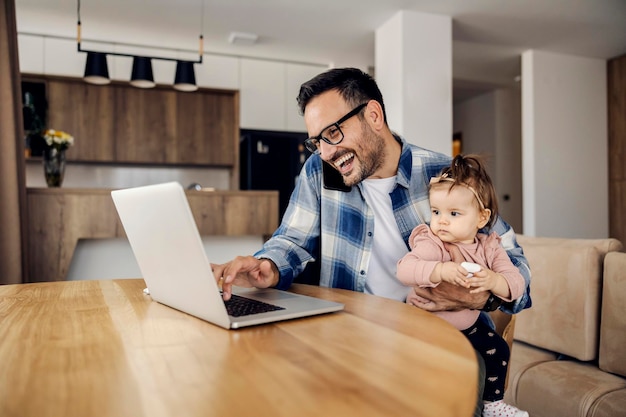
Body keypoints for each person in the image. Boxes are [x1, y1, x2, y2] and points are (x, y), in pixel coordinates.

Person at [212, 67, 531, 417]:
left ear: (374, 115)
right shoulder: (318, 174)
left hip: (446, 341)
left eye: (332, 133)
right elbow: (291, 239)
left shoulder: (447, 177)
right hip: (349, 338)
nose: (325, 153)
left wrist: (481, 295)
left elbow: (516, 266)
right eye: (316, 141)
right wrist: (267, 266)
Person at [396, 154, 529, 417]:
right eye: (436, 212)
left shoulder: (490, 247)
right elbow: (405, 269)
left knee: (498, 349)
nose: (441, 221)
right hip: (426, 325)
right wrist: (440, 269)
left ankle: (493, 405)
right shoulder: (433, 242)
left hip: (468, 325)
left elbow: (516, 283)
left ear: (481, 218)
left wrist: (494, 280)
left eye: (453, 213)